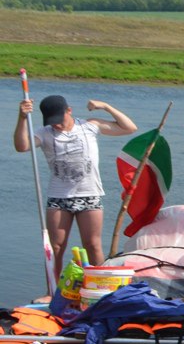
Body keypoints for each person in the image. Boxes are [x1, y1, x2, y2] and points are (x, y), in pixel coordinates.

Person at [14, 93, 137, 273]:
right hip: (59, 198)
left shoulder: (89, 126)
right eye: (51, 120)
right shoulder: (45, 133)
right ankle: (53, 291)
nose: (55, 124)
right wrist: (22, 118)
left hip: (90, 195)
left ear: (69, 111)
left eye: (58, 119)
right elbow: (21, 146)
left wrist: (105, 106)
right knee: (56, 247)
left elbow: (130, 128)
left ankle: (99, 287)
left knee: (92, 245)